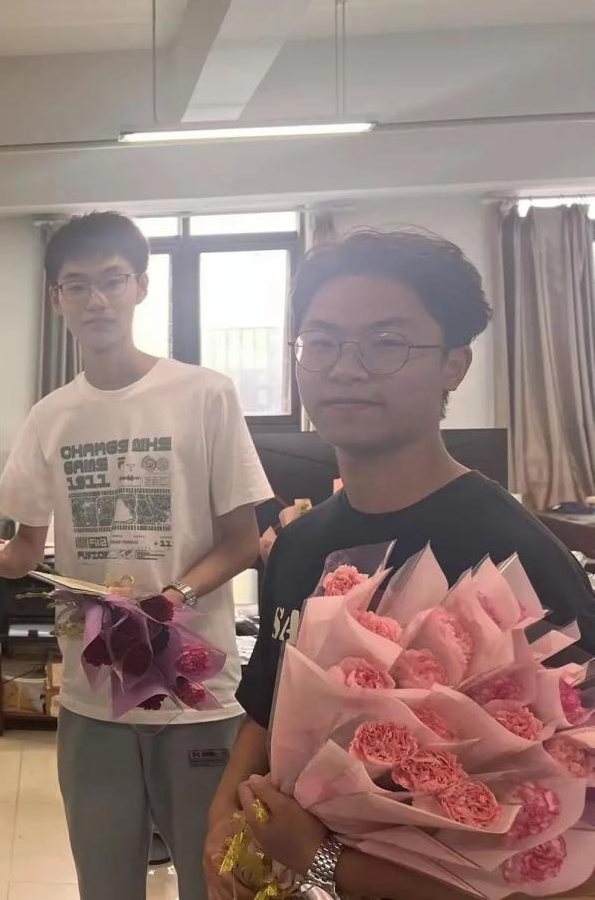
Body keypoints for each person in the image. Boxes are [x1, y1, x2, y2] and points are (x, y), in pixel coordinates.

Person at [204, 229, 595, 900]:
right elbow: (265, 710)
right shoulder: (297, 545)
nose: (345, 368)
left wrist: (323, 861)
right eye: (322, 342)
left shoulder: (515, 558)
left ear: (454, 365)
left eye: (386, 343)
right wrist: (220, 821)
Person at [0, 212, 272, 900]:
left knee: (213, 880)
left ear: (140, 286)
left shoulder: (204, 394)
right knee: (105, 883)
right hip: (94, 694)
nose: (97, 300)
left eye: (112, 281)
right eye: (77, 286)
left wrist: (173, 599)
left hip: (195, 692)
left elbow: (241, 541)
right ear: (57, 299)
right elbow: (25, 548)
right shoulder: (51, 416)